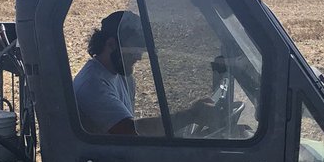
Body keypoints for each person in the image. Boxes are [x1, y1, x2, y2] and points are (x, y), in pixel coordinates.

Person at [73, 10, 217, 136]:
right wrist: (191, 115)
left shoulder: (124, 76)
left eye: (141, 50)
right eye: (133, 50)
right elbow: (131, 132)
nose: (139, 57)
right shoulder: (92, 85)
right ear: (111, 44)